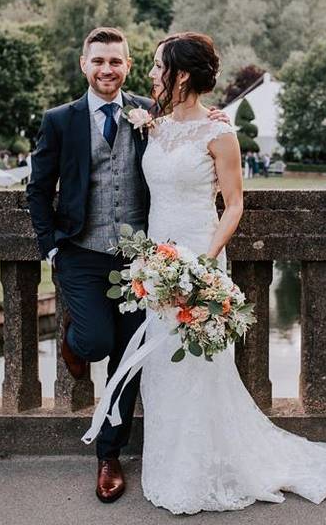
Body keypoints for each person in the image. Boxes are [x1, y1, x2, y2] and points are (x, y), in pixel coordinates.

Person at [101, 32, 326, 514]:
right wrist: (158, 262)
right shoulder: (151, 125)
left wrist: (202, 263)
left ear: (179, 75)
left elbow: (234, 205)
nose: (151, 75)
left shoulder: (220, 133)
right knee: (161, 369)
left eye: (158, 67)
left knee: (200, 367)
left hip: (199, 259)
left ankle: (205, 470)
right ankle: (170, 466)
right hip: (155, 261)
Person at [25, 27, 229, 504]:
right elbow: (38, 188)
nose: (107, 69)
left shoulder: (152, 111)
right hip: (79, 250)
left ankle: (108, 456)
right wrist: (51, 247)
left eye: (115, 61)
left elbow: (192, 126)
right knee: (94, 341)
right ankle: (74, 338)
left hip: (141, 256)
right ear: (83, 65)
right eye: (98, 61)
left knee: (130, 358)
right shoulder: (60, 120)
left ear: (129, 65)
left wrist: (216, 118)